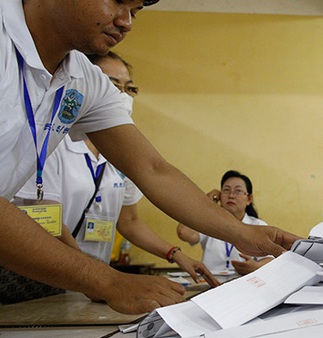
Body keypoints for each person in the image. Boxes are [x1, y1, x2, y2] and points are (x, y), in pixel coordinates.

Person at [0, 0, 297, 314]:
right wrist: (105, 280)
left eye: (136, 11)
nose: (126, 22)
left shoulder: (83, 79)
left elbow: (154, 170)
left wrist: (243, 233)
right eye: (117, 1)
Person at [14, 51, 220, 288]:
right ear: (87, 85)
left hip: (92, 280)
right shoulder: (53, 141)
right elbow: (48, 220)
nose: (122, 95)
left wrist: (176, 254)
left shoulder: (123, 153)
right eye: (113, 85)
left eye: (129, 88)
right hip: (48, 275)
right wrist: (92, 275)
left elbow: (129, 221)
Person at [177, 171, 274, 277]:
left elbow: (271, 258)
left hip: (244, 283)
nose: (231, 195)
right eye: (226, 190)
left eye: (238, 191)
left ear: (249, 199)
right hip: (211, 283)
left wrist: (256, 266)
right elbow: (183, 232)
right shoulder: (209, 221)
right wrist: (206, 202)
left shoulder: (257, 225)